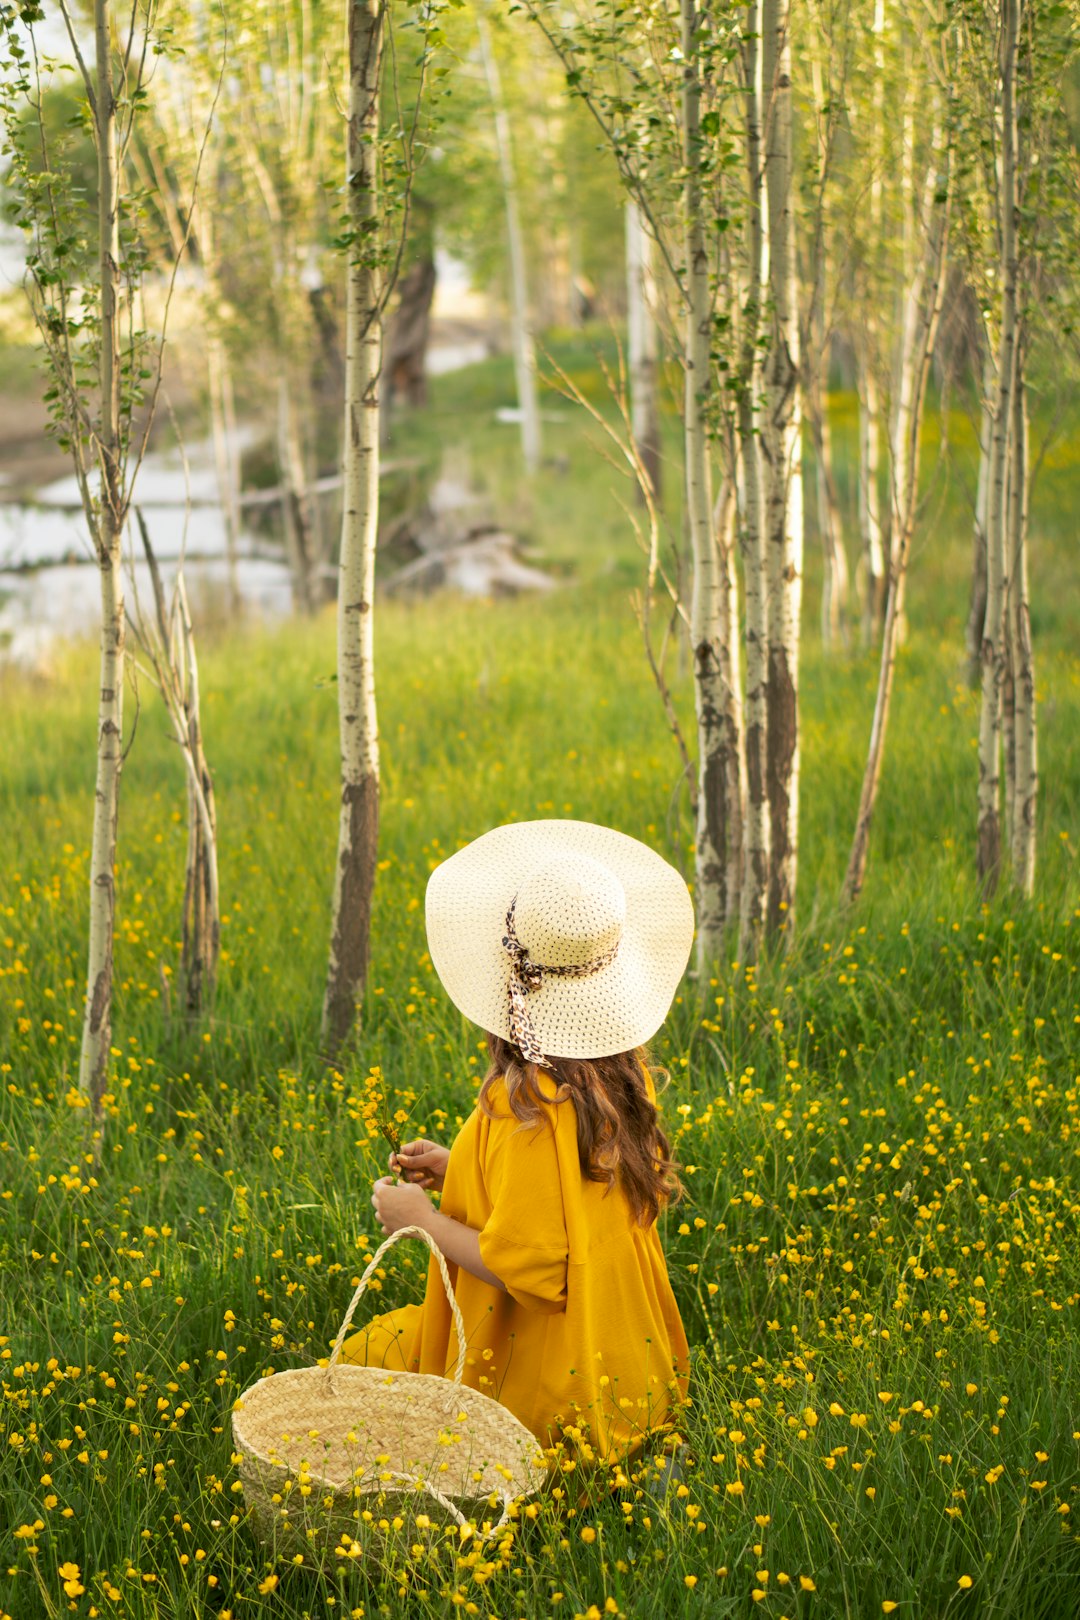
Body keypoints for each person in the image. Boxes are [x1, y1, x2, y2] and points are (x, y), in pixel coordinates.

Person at [341, 818, 694, 1469]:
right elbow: (567, 1199)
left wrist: (420, 1219)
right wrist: (462, 1168)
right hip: (619, 1358)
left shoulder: (524, 1105)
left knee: (362, 1368)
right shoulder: (614, 1074)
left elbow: (530, 1273)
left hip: (550, 1382)